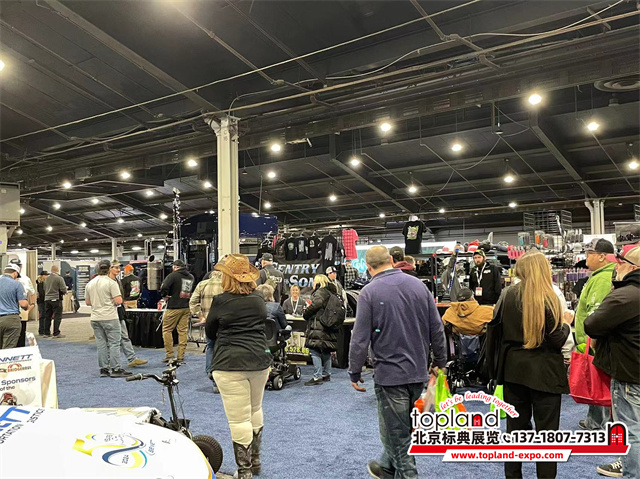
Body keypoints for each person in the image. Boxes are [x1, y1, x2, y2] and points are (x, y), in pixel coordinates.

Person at [348, 246, 447, 479]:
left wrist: (354, 371)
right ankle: (385, 467)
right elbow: (437, 328)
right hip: (418, 372)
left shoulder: (369, 292)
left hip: (390, 375)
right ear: (392, 260)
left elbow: (359, 338)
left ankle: (403, 473)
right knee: (402, 430)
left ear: (368, 267)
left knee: (399, 438)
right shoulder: (419, 286)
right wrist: (440, 361)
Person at [491, 251, 572, 479]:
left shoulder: (507, 295)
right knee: (547, 435)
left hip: (513, 371)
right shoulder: (549, 296)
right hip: (545, 372)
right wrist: (566, 323)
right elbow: (557, 340)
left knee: (515, 431)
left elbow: (496, 330)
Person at [205, 254, 271, 479]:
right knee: (255, 409)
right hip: (259, 360)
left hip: (229, 363)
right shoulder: (258, 298)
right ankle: (255, 462)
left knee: (239, 419)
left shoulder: (221, 301)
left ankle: (244, 471)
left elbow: (210, 331)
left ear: (227, 277)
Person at [585, 246, 640, 479]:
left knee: (631, 430)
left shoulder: (625, 296)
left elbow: (592, 324)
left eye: (620, 262)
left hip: (629, 372)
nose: (615, 266)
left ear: (632, 267)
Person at [575, 238, 616, 432]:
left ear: (601, 257)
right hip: (593, 340)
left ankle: (601, 424)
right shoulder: (600, 276)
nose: (586, 258)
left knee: (600, 382)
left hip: (594, 342)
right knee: (597, 382)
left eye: (589, 254)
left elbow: (597, 314)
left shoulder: (602, 279)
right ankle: (595, 421)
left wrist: (591, 342)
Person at [84, 260, 132, 378]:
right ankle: (116, 368)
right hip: (110, 317)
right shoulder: (111, 283)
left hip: (95, 318)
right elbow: (118, 301)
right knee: (114, 343)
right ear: (109, 269)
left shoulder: (90, 283)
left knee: (101, 344)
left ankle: (104, 369)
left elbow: (88, 302)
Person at [107, 261, 147, 369]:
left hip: (120, 311)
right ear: (110, 268)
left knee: (125, 336)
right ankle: (108, 362)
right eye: (116, 267)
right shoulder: (107, 282)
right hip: (110, 313)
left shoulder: (118, 281)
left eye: (119, 268)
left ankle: (132, 359)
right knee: (111, 340)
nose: (118, 269)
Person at [190, 268, 224, 393]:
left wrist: (201, 315)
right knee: (223, 349)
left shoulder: (202, 284)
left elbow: (193, 302)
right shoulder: (226, 285)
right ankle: (221, 379)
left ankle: (211, 373)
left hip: (208, 322)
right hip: (223, 322)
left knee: (210, 346)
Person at [303, 274, 341, 386]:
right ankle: (326, 374)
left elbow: (317, 304)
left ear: (318, 282)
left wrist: (306, 313)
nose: (313, 283)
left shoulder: (320, 292)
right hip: (328, 324)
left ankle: (317, 376)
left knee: (314, 349)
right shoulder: (332, 292)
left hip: (318, 324)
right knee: (326, 349)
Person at [160, 259, 194, 364]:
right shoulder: (191, 277)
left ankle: (170, 355)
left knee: (167, 330)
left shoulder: (173, 276)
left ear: (175, 267)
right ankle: (180, 356)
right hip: (186, 306)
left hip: (173, 307)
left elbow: (164, 287)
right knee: (183, 332)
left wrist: (164, 295)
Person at [0, 264, 28, 349]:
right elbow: (23, 304)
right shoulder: (17, 284)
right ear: (15, 273)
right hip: (11, 319)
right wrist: (28, 306)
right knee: (8, 350)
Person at [9, 260, 36, 347]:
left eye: (18, 265)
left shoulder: (26, 279)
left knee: (21, 336)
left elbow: (33, 293)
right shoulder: (2, 278)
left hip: (21, 311)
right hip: (7, 312)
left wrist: (32, 305)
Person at [43, 265, 67, 338]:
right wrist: (64, 291)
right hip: (56, 299)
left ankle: (46, 333)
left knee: (47, 316)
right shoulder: (59, 278)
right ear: (58, 270)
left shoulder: (46, 279)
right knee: (57, 316)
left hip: (47, 299)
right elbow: (63, 289)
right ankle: (56, 333)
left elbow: (44, 288)